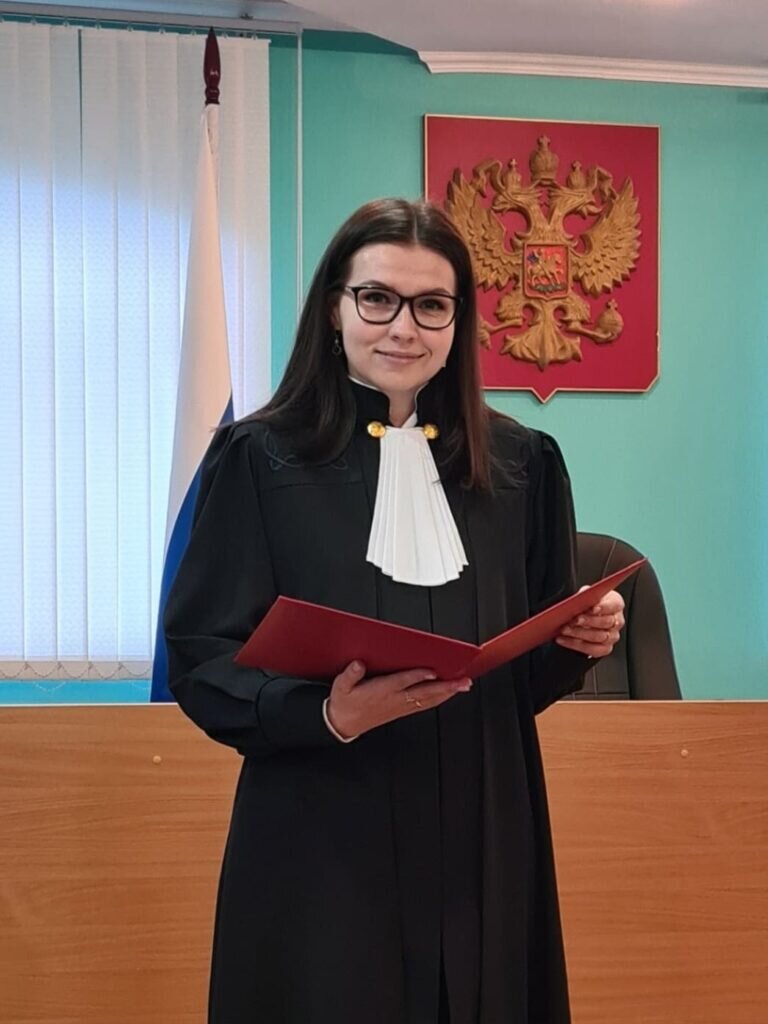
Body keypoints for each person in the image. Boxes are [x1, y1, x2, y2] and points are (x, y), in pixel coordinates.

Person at [164, 198, 625, 1024]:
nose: (403, 328)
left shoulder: (520, 464)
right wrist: (325, 714)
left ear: (458, 320)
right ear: (334, 308)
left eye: (431, 305)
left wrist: (577, 642)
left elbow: (524, 675)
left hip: (485, 828)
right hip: (321, 828)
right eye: (377, 298)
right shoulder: (258, 459)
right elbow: (202, 656)